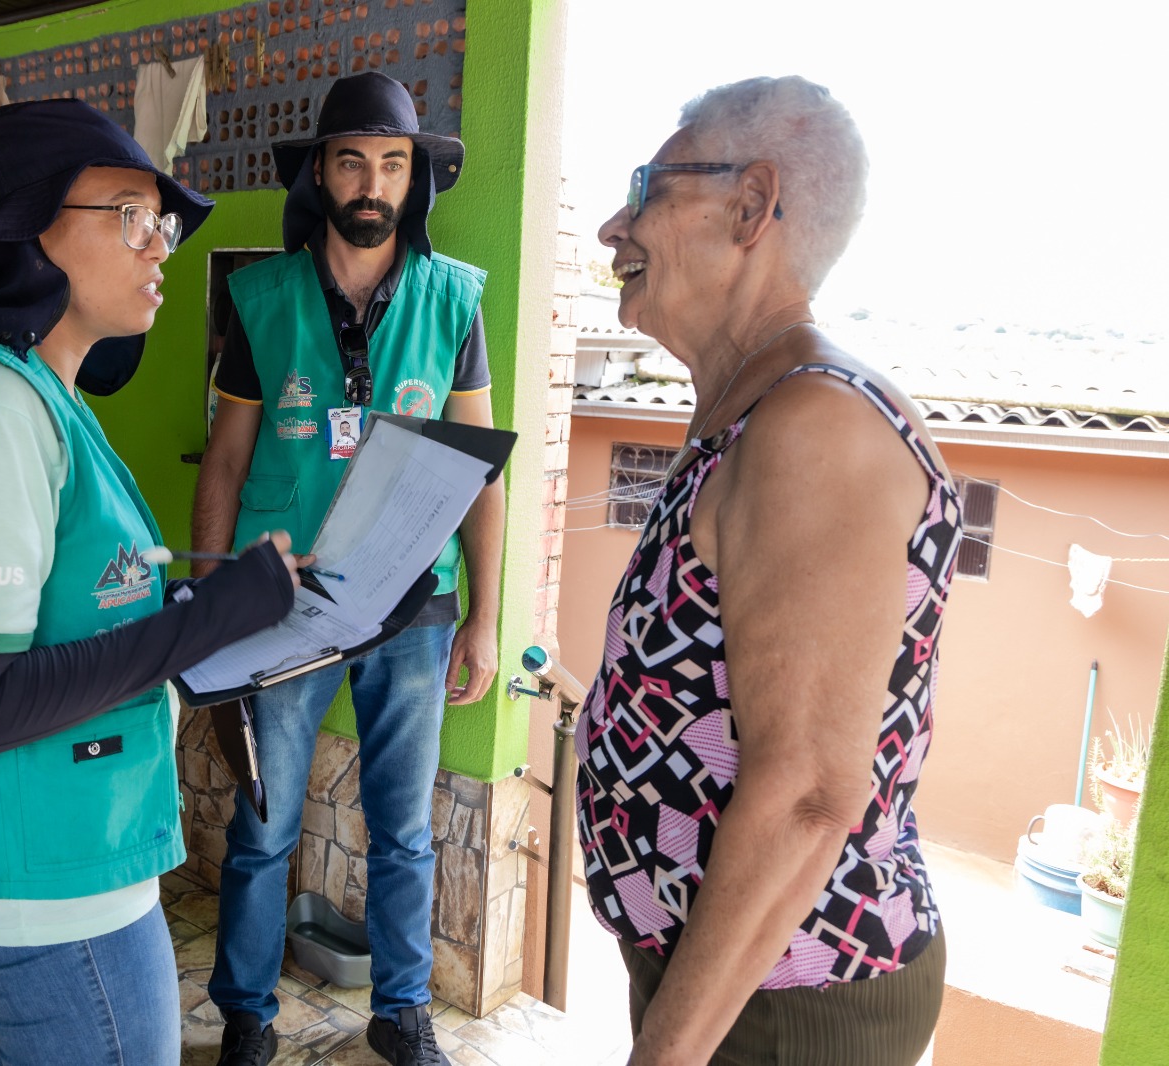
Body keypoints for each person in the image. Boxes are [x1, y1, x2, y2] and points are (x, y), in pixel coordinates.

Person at [0, 99, 305, 1066]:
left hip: (47, 867)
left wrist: (196, 613)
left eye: (164, 223)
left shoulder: (41, 396)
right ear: (30, 230)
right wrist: (209, 619)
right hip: (45, 889)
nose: (160, 247)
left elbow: (73, 618)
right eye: (130, 214)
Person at [575, 76, 956, 1066]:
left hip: (780, 998)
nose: (616, 223)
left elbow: (804, 797)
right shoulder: (748, 410)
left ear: (750, 206)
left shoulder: (812, 425)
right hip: (729, 975)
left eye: (647, 187)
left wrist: (664, 1053)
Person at [192, 72, 505, 1066]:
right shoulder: (261, 298)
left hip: (416, 608)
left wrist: (486, 616)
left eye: (392, 164)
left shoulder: (454, 300)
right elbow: (227, 463)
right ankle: (247, 1014)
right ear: (320, 176)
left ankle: (401, 1013)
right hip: (285, 605)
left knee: (404, 832)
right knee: (263, 825)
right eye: (351, 161)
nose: (372, 182)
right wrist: (208, 598)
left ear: (415, 180)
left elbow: (479, 478)